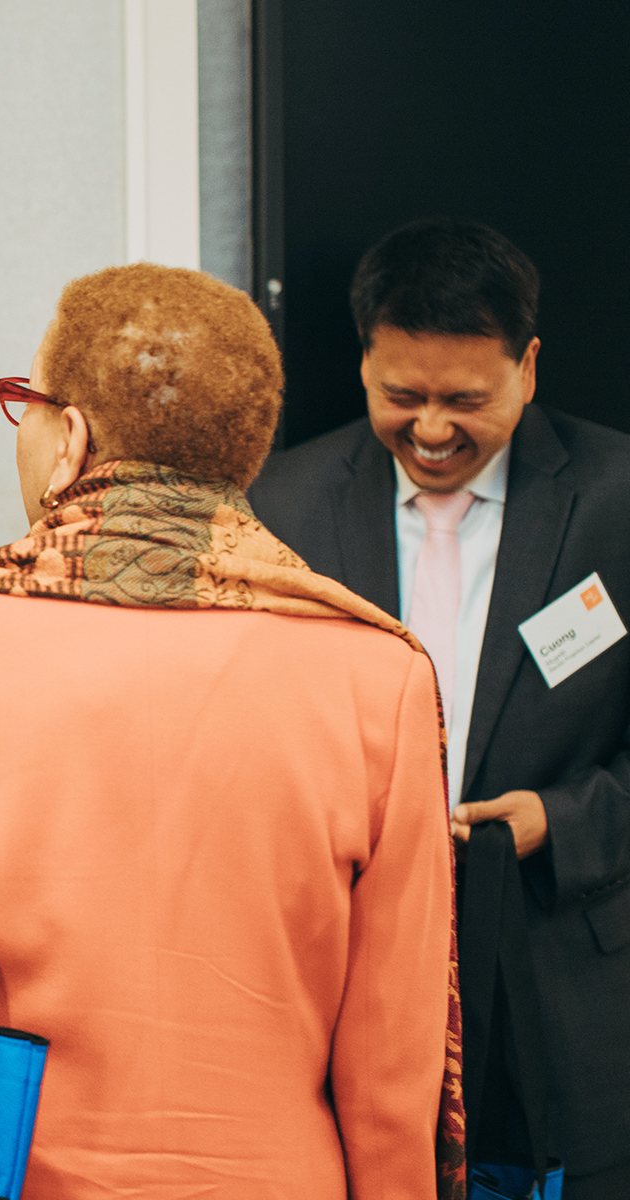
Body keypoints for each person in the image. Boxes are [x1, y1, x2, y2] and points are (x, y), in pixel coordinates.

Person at [0, 263, 463, 1198]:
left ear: (72, 437)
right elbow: (393, 1083)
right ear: (242, 454)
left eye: (29, 404)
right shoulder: (381, 674)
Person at [249, 217, 630, 1197]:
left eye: (466, 400)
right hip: (347, 976)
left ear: (529, 367)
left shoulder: (616, 500)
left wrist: (565, 819)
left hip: (562, 971)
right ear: (364, 360)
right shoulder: (285, 503)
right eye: (400, 396)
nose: (430, 430)